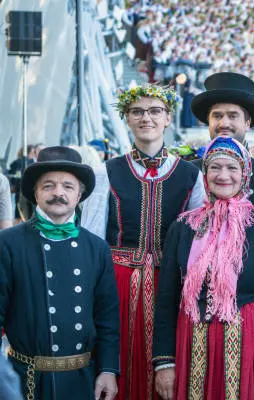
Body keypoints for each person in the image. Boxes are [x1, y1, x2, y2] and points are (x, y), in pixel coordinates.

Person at [81, 84, 206, 400]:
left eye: (154, 111)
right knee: (118, 362)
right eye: (137, 111)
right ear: (126, 118)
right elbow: (92, 239)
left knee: (170, 370)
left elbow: (198, 241)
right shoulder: (106, 172)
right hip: (118, 281)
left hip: (171, 285)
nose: (145, 117)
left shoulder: (192, 176)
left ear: (167, 118)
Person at [152, 136, 254, 400]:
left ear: (245, 173)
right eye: (215, 167)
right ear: (205, 173)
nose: (223, 176)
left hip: (252, 345)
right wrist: (164, 363)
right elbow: (166, 301)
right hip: (193, 344)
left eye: (232, 168)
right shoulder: (184, 227)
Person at [0, 146, 119, 400]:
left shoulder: (96, 248)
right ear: (35, 193)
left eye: (67, 186)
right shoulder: (7, 243)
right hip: (25, 379)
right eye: (48, 186)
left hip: (81, 380)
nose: (58, 193)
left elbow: (107, 319)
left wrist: (108, 369)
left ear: (80, 194)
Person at [190, 72, 254, 208]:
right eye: (217, 116)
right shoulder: (189, 173)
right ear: (209, 121)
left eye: (233, 116)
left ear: (247, 123)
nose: (224, 123)